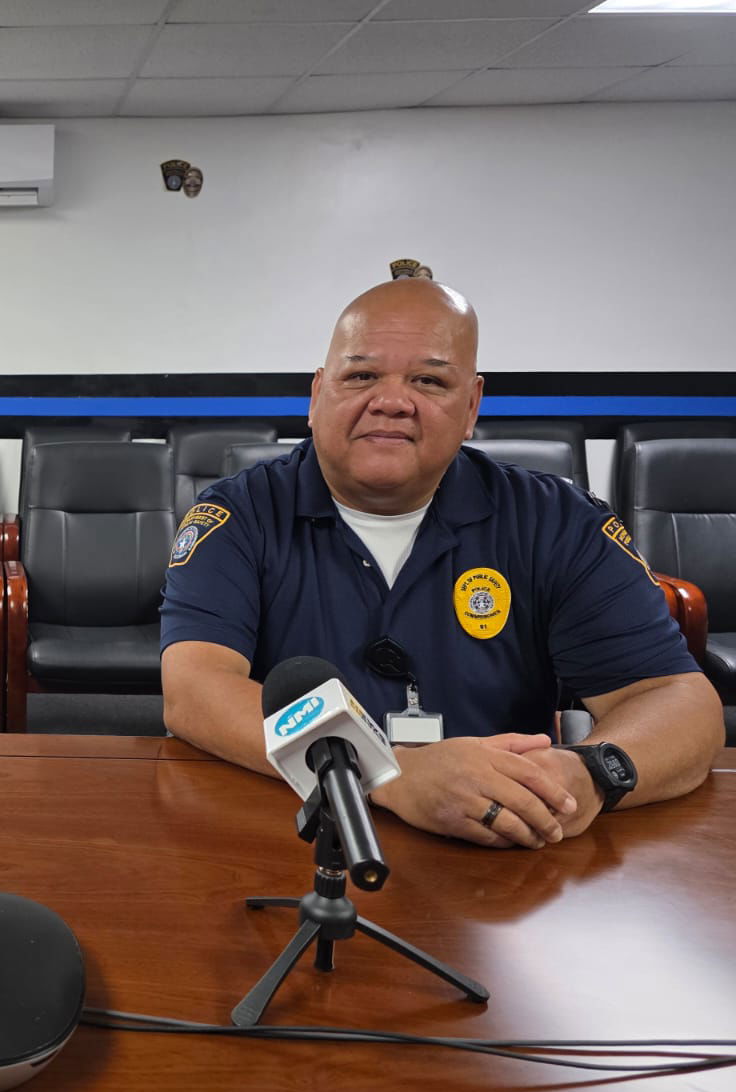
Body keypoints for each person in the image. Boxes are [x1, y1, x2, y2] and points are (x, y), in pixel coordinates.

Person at [160, 278, 722, 849]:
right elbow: (196, 689)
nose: (392, 401)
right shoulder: (240, 514)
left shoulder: (557, 522)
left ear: (472, 405)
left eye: (428, 380)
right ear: (316, 394)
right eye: (361, 376)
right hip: (294, 834)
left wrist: (589, 774)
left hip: (508, 853)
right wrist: (382, 772)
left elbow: (676, 699)